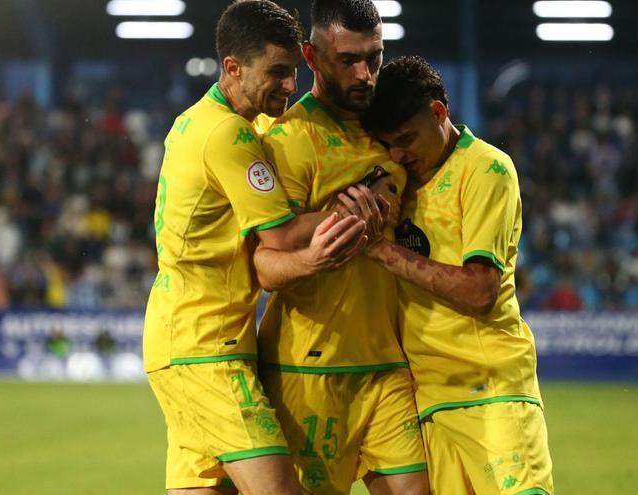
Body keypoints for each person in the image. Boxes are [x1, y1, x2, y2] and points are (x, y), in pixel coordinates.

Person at [143, 2, 369, 494]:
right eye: (278, 72)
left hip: (180, 340)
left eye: (293, 71)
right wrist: (357, 208)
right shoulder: (229, 135)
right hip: (207, 351)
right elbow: (283, 237)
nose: (291, 86)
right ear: (233, 68)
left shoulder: (194, 121)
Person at [358, 55, 554, 495]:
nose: (397, 154)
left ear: (439, 113)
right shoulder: (398, 182)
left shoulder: (487, 169)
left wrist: (379, 250)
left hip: (493, 396)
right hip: (431, 401)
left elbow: (480, 290)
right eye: (388, 143)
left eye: (406, 139)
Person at [256, 1, 429, 493]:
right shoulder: (288, 140)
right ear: (311, 57)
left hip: (387, 365)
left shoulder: (391, 127)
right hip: (308, 371)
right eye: (348, 59)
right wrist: (318, 249)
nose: (365, 73)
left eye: (374, 57)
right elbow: (264, 267)